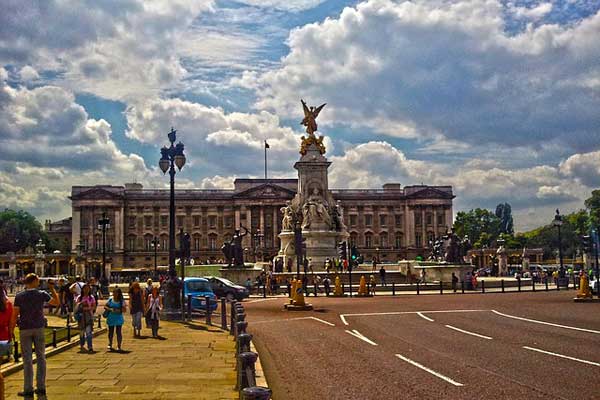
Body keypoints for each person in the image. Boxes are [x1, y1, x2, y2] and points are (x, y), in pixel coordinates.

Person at [11, 273, 60, 397]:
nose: (39, 283)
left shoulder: (19, 296)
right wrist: (52, 289)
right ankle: (41, 387)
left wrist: (11, 330)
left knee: (27, 359)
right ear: (33, 282)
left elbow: (15, 315)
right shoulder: (41, 294)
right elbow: (56, 302)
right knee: (41, 357)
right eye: (37, 281)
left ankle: (28, 388)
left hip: (25, 328)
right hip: (38, 327)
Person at [75, 283, 96, 353]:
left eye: (88, 289)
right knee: (81, 333)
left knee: (88, 332)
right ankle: (82, 343)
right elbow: (77, 307)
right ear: (82, 289)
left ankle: (90, 347)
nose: (86, 290)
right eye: (85, 289)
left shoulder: (91, 297)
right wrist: (81, 307)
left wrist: (88, 308)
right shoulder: (79, 297)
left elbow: (94, 306)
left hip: (89, 316)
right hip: (81, 317)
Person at [105, 287, 126, 351]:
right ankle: (110, 343)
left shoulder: (121, 301)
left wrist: (118, 310)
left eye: (116, 292)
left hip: (118, 318)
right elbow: (105, 306)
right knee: (110, 332)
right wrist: (110, 309)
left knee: (118, 332)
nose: (115, 294)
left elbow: (124, 310)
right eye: (114, 292)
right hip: (111, 318)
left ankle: (119, 346)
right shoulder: (110, 299)